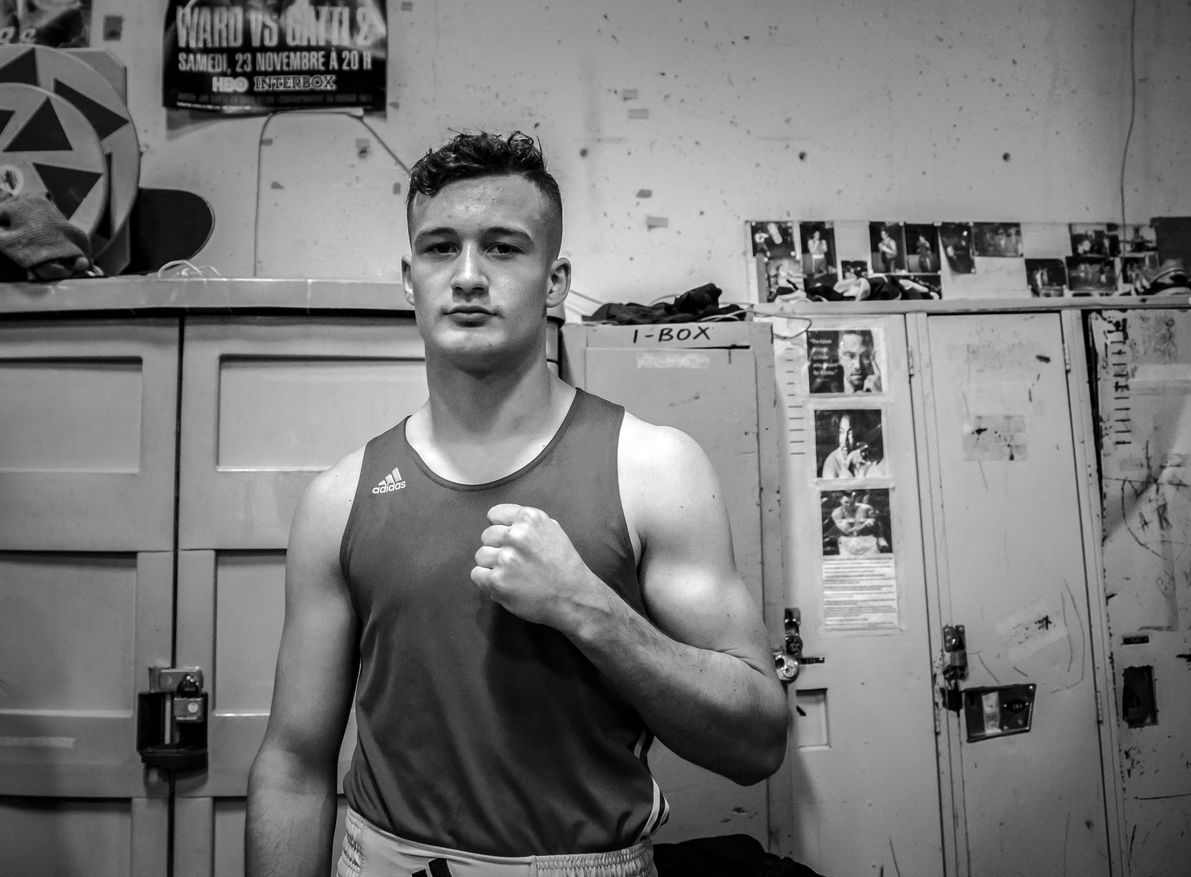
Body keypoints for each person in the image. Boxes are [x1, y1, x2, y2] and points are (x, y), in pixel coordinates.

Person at [245, 130, 788, 877]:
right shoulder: (339, 498)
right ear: (409, 278)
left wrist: (589, 609)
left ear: (555, 281)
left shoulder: (653, 469)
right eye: (440, 248)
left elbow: (757, 742)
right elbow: (293, 764)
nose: (468, 276)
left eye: (503, 248)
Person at [820, 413, 887, 479]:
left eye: (850, 433)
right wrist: (848, 461)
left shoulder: (863, 451)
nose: (845, 440)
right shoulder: (831, 463)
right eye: (841, 432)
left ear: (857, 435)